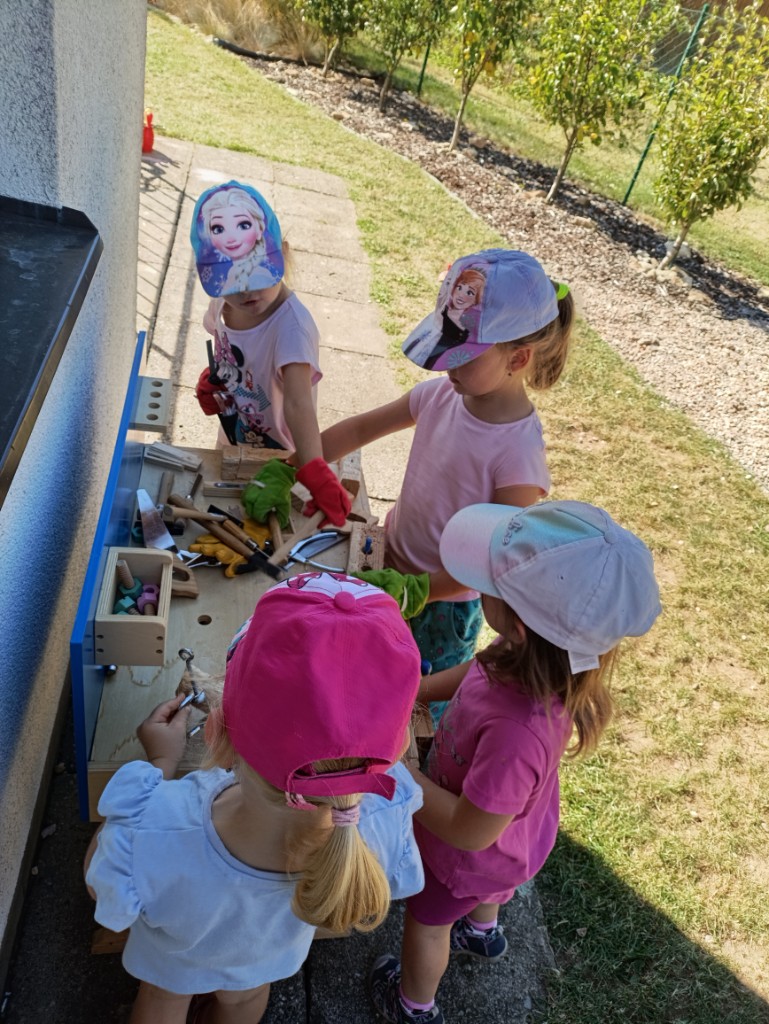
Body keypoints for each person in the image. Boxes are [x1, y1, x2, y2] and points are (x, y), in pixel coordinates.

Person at [85, 572, 425, 1024]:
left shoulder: (157, 825)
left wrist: (161, 763)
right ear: (396, 749)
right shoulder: (384, 820)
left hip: (174, 966)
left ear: (215, 733)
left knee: (164, 998)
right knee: (244, 1001)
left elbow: (97, 879)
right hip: (261, 966)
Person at [369, 499, 662, 1024]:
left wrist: (402, 773)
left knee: (427, 924)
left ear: (521, 625)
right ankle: (482, 931)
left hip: (463, 857)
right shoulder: (534, 657)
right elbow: (476, 671)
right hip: (514, 838)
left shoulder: (518, 730)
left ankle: (413, 1003)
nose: (479, 585)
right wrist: (415, 690)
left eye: (490, 583)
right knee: (491, 886)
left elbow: (469, 830)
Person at [319, 249, 575, 724]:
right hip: (388, 561)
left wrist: (418, 591)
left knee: (407, 710)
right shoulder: (440, 395)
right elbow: (358, 429)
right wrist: (302, 463)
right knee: (355, 680)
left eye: (462, 357)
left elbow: (493, 562)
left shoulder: (518, 456)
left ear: (518, 358)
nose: (446, 367)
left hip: (442, 608)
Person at [190, 180, 349, 526]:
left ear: (283, 254)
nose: (246, 293)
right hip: (235, 434)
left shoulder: (292, 329)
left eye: (257, 276)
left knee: (264, 526)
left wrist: (314, 469)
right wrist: (218, 380)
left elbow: (298, 403)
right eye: (234, 283)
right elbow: (231, 351)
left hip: (282, 457)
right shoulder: (222, 302)